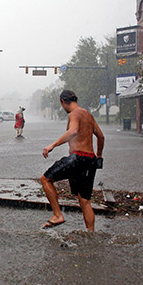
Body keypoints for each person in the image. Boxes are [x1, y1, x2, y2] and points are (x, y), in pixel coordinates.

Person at [40, 90, 104, 232]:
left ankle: (57, 215)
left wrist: (53, 145)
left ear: (63, 101)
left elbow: (73, 131)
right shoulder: (88, 115)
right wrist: (99, 155)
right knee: (84, 200)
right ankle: (91, 233)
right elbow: (101, 136)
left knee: (45, 180)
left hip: (77, 158)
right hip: (90, 160)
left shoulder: (74, 114)